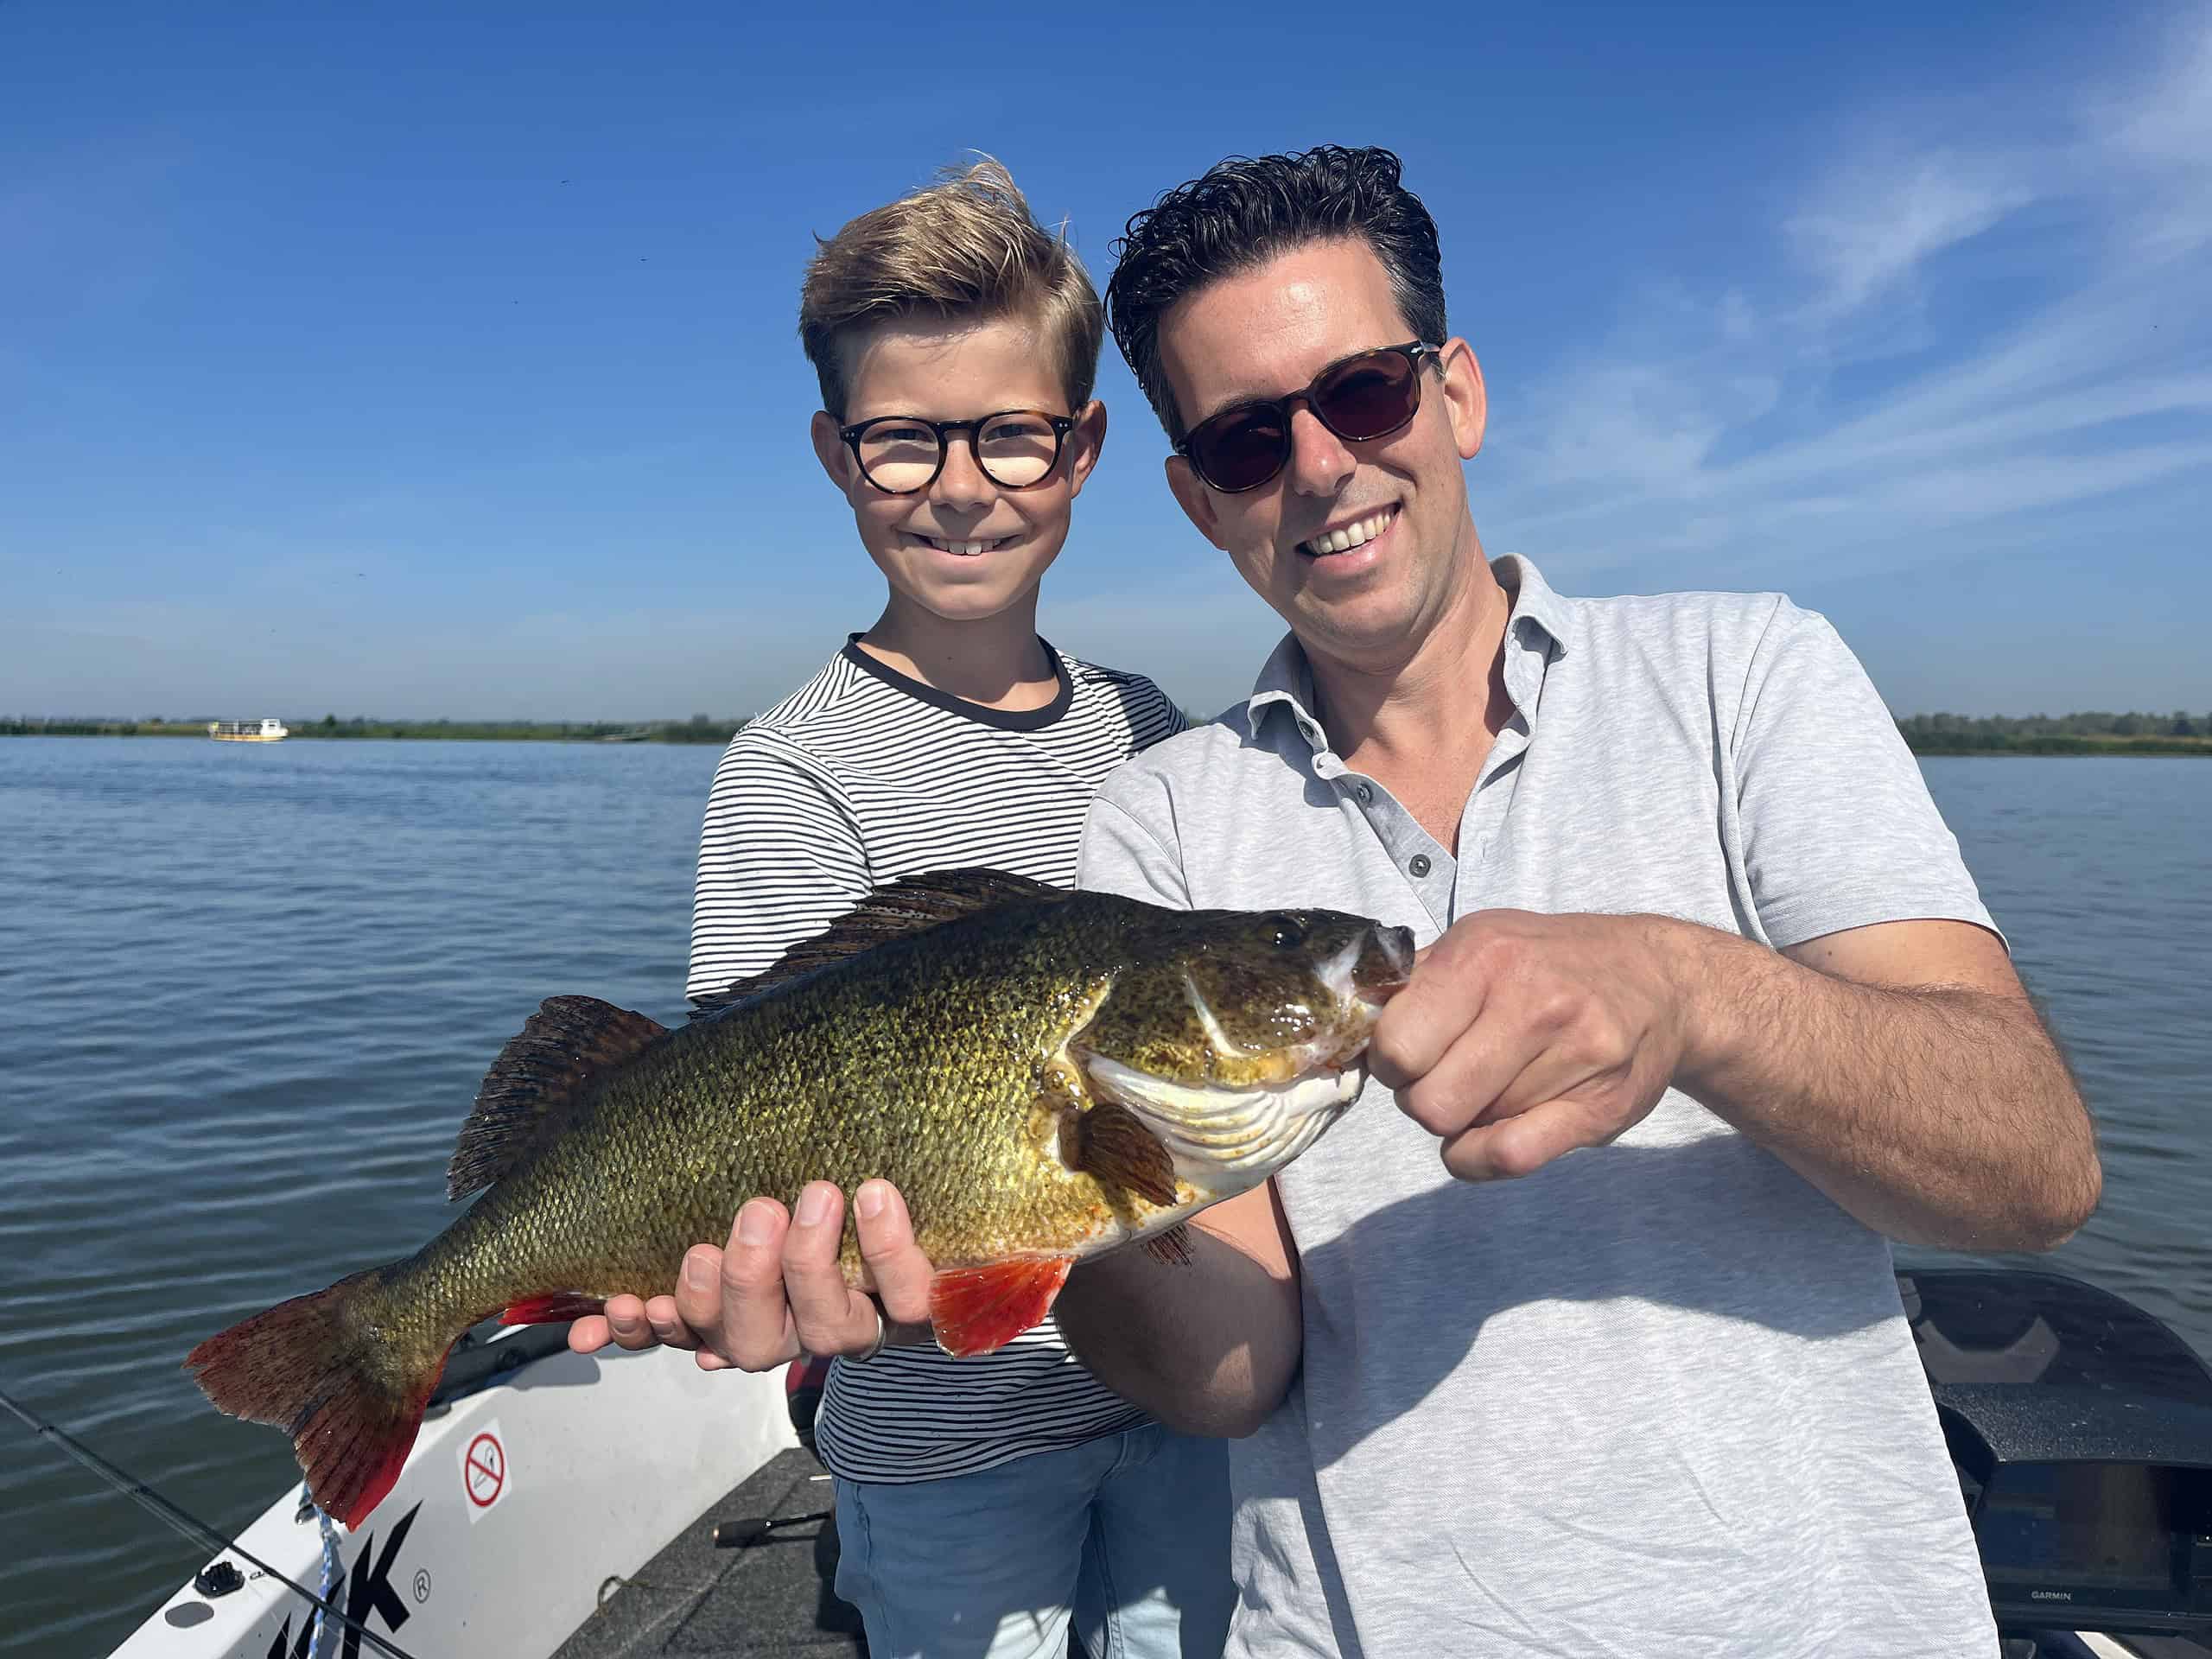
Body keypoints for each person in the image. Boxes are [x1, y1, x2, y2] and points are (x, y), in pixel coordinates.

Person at [585, 147, 2101, 1657]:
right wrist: (1064, 1188)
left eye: (1362, 392)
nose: (1316, 465)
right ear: (1193, 497)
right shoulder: (1166, 810)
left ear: (1458, 394)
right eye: (1247, 441)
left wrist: (1697, 993)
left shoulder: (1747, 674)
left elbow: (2035, 1177)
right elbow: (1227, 1375)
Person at [569, 160, 1232, 1659]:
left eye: (1011, 436)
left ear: (1085, 448)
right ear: (832, 454)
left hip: (1191, 1399)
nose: (958, 485)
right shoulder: (790, 771)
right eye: (900, 441)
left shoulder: (1161, 730)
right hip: (940, 1445)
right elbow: (738, 1120)